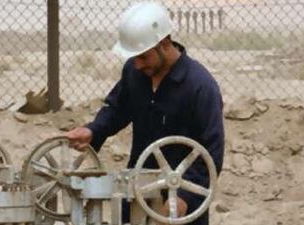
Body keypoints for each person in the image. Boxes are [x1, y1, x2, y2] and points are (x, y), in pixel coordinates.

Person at [65, 2, 224, 225]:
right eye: (135, 57)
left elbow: (212, 152)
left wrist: (185, 198)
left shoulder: (200, 86)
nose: (138, 64)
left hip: (179, 204)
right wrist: (93, 131)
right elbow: (117, 109)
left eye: (143, 57)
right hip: (137, 192)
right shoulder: (135, 72)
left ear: (165, 44)